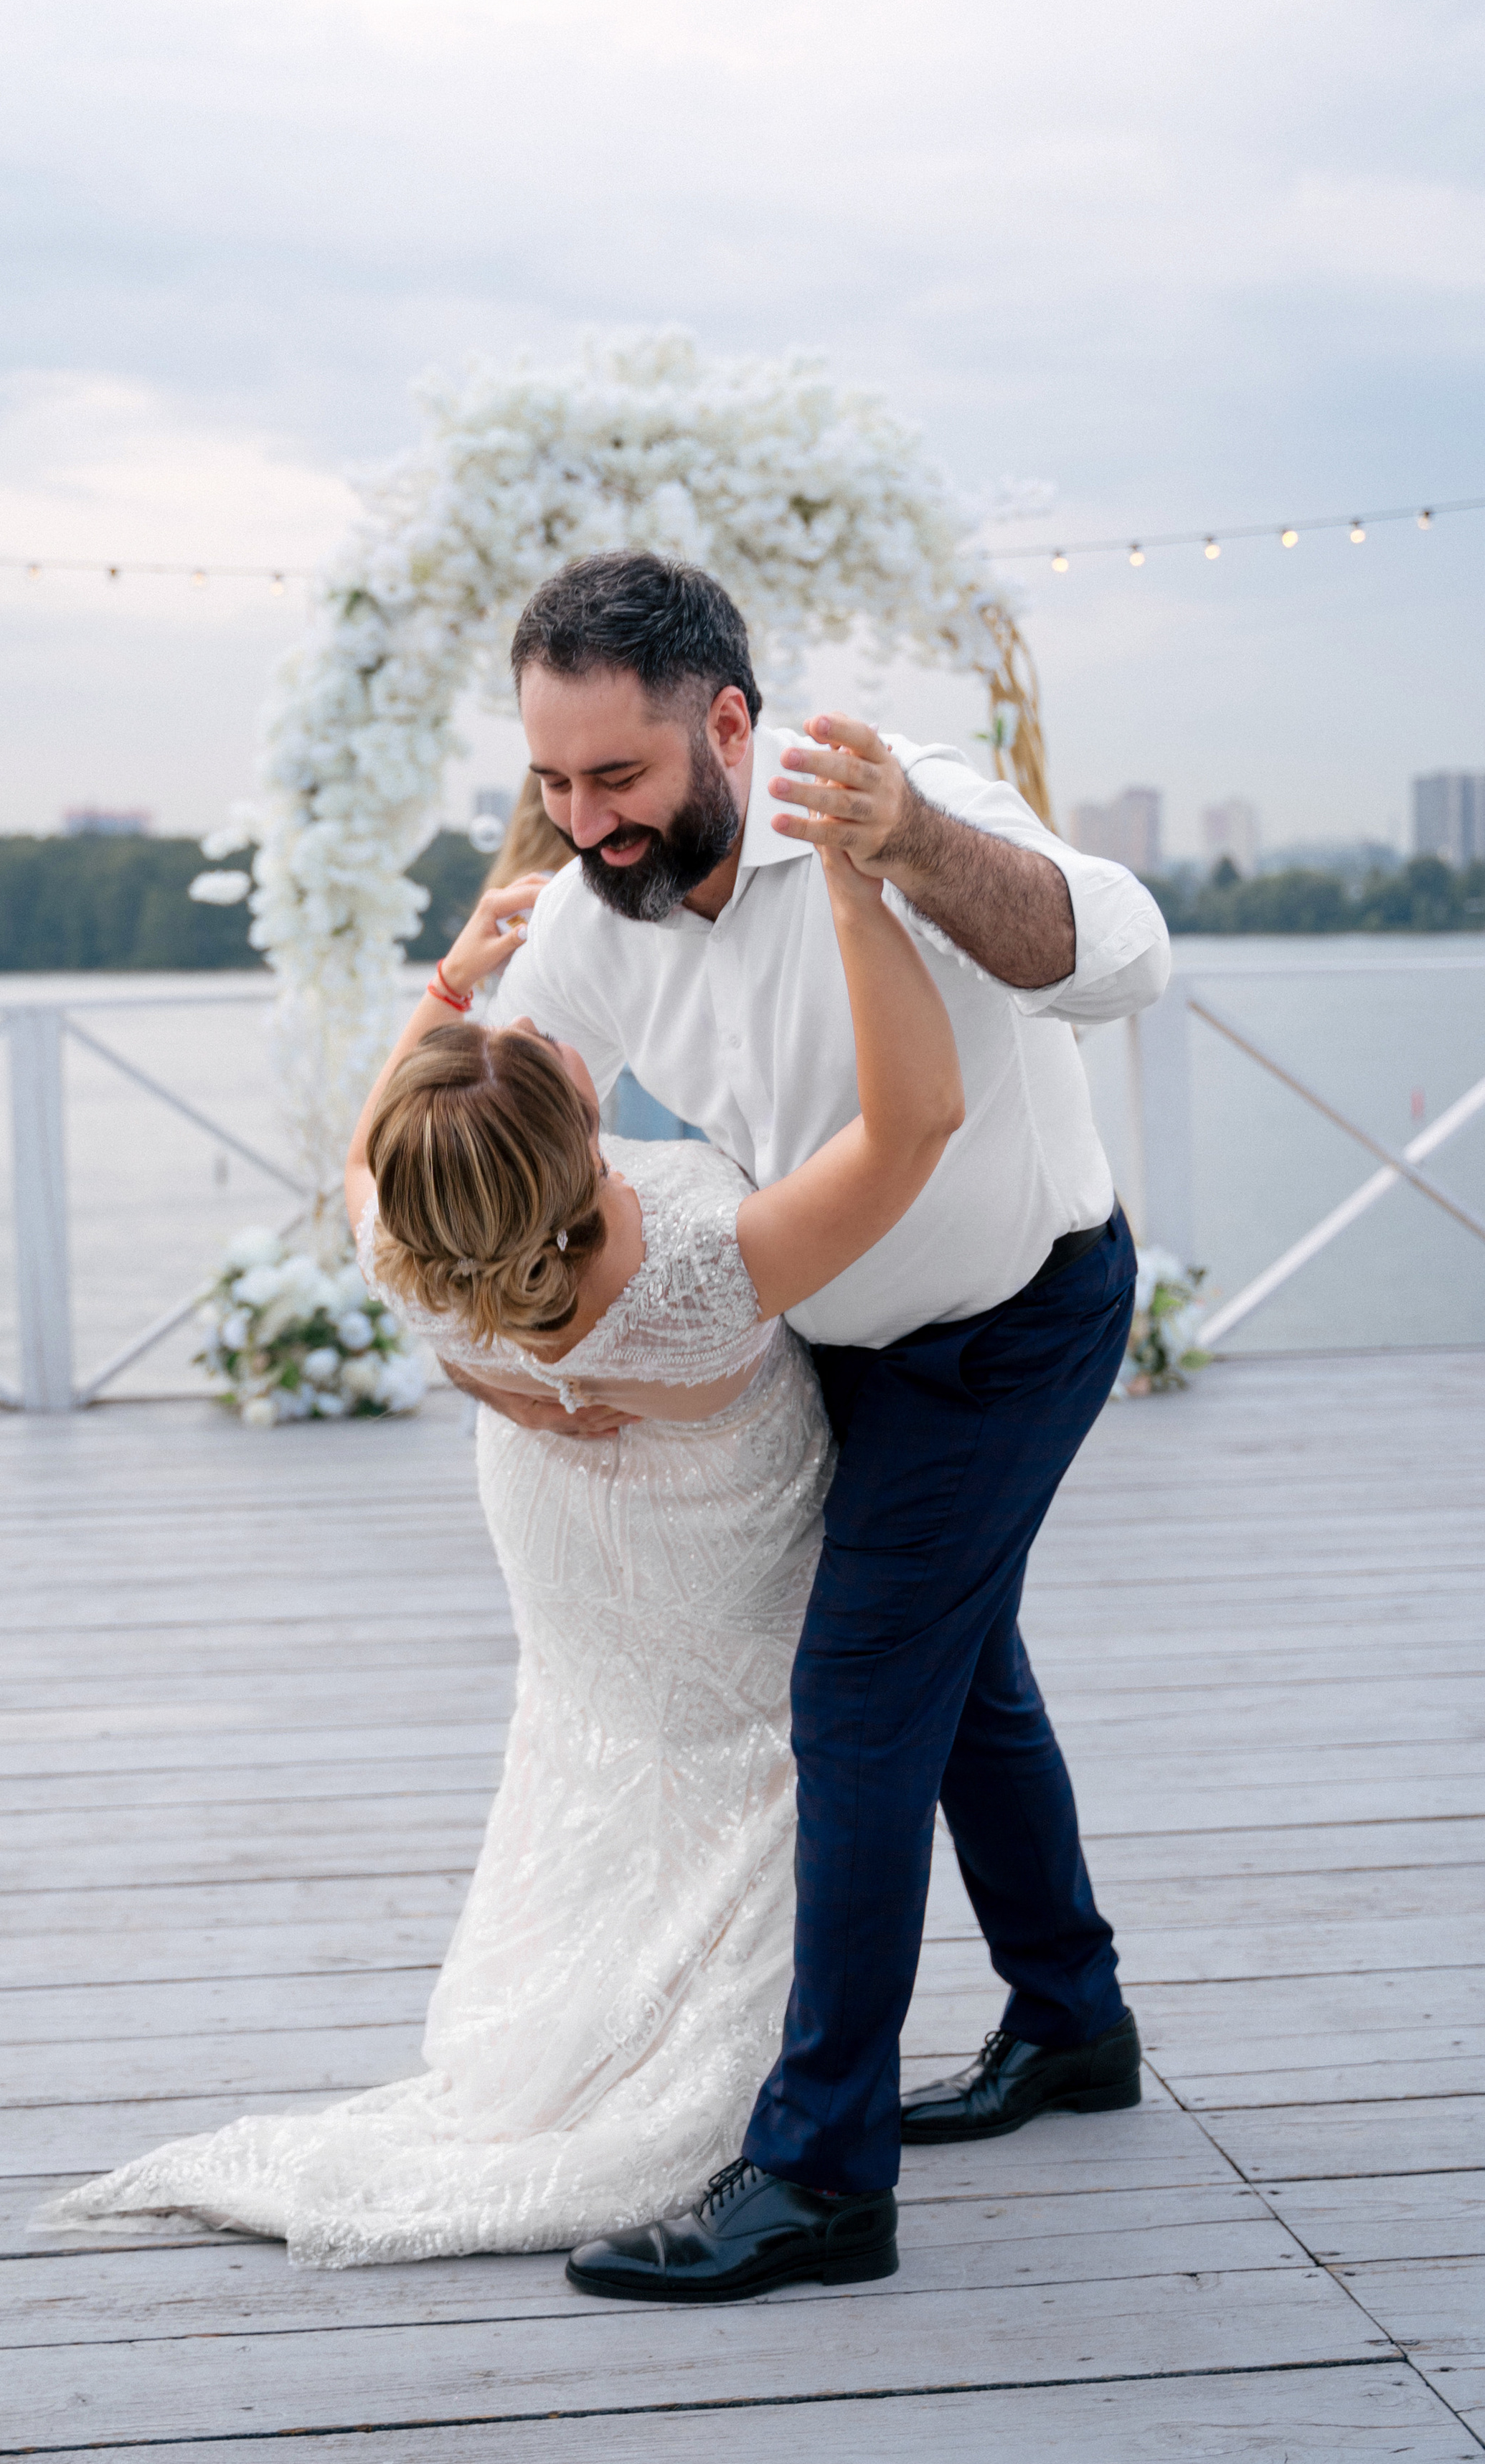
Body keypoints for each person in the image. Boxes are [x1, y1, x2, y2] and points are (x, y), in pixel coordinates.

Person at [42, 722, 963, 2270]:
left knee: (599, 1736)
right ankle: (704, 2054)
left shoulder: (417, 1256)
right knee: (741, 1757)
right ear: (580, 1136)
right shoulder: (694, 1270)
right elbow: (910, 1129)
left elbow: (367, 1148)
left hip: (562, 1532)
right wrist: (864, 895)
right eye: (543, 1057)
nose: (550, 1033)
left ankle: (592, 2012)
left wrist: (452, 984)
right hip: (719, 1543)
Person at [482, 549, 1168, 2307]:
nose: (584, 823)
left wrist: (913, 850)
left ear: (726, 722)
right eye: (551, 783)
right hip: (831, 1346)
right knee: (959, 1677)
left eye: (616, 778)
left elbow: (1124, 961)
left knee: (859, 1695)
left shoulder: (895, 795)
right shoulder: (585, 903)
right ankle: (1071, 2020)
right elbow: (496, 1119)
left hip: (1018, 1318)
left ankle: (814, 2180)